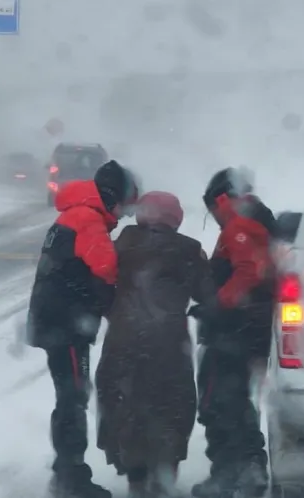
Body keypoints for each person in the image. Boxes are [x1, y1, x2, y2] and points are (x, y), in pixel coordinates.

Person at [26, 160, 139, 498]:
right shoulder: (88, 221)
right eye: (125, 205)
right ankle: (71, 478)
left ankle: (66, 472)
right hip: (66, 325)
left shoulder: (75, 214)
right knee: (73, 398)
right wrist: (122, 311)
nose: (125, 215)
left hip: (56, 321)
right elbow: (106, 271)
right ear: (110, 197)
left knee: (69, 396)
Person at [95, 191, 217, 498]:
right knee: (171, 404)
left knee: (124, 401)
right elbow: (208, 294)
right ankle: (165, 469)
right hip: (168, 344)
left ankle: (134, 470)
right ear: (175, 218)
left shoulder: (120, 245)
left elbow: (99, 284)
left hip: (121, 340)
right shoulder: (188, 250)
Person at [190, 167, 279, 498]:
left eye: (212, 208)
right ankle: (252, 466)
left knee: (217, 400)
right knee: (238, 398)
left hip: (233, 330)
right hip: (251, 327)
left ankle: (226, 474)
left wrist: (218, 304)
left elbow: (247, 271)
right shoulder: (257, 219)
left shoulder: (240, 224)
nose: (213, 217)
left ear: (222, 199)